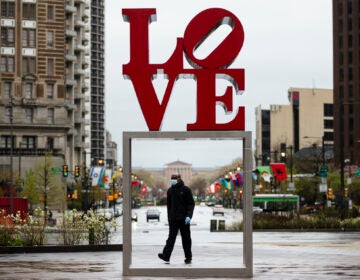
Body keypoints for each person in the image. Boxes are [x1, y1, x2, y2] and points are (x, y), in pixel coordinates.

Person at [158, 173, 195, 264]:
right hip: (173, 219)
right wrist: (169, 218)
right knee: (171, 238)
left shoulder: (186, 190)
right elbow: (169, 206)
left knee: (186, 239)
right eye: (172, 178)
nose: (173, 180)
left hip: (184, 219)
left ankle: (188, 257)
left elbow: (191, 204)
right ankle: (166, 256)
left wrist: (188, 216)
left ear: (179, 179)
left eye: (174, 178)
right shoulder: (170, 191)